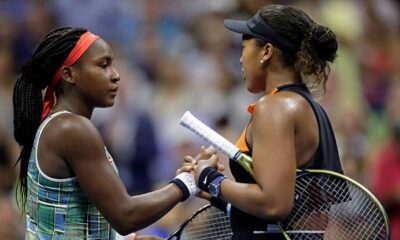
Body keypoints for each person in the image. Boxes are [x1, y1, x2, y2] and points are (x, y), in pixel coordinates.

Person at [12, 27, 208, 239]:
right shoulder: (72, 129)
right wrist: (188, 182)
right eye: (103, 65)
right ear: (69, 75)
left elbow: (73, 216)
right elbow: (126, 216)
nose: (116, 76)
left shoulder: (62, 126)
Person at [185, 5, 344, 240]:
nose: (240, 59)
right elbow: (281, 214)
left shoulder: (275, 109)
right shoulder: (306, 107)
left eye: (244, 47)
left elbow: (274, 204)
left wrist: (210, 177)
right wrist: (213, 190)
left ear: (266, 51)